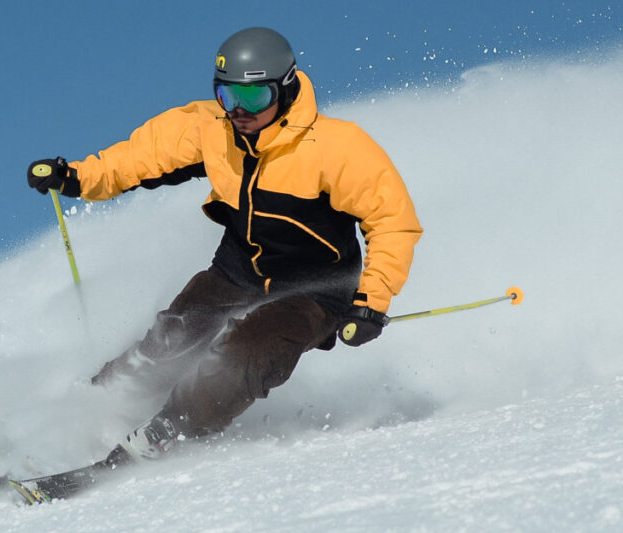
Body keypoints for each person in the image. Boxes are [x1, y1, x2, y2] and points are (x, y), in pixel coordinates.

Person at [26, 27, 422, 461]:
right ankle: (85, 413)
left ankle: (168, 430)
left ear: (285, 89)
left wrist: (371, 303)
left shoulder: (336, 147)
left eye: (252, 99)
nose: (238, 111)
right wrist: (79, 177)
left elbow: (393, 221)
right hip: (238, 272)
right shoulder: (213, 129)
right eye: (227, 96)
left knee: (244, 355)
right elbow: (142, 156)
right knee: (170, 341)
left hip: (317, 290)